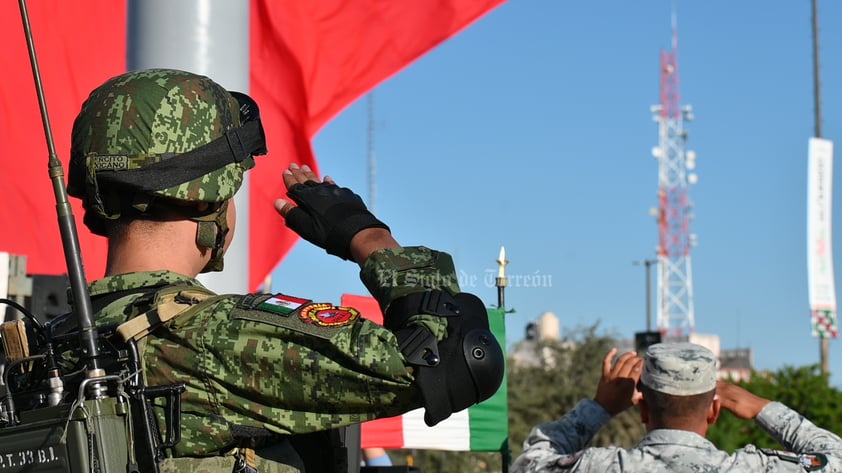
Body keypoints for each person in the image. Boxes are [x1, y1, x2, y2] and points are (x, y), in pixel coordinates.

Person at [64, 68, 504, 472]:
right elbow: (459, 357)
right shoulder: (213, 335)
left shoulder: (52, 348)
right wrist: (369, 238)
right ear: (206, 200)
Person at [511, 342, 842, 472]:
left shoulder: (601, 467)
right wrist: (756, 406)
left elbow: (528, 464)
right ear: (713, 411)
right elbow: (834, 458)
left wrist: (600, 407)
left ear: (642, 409)